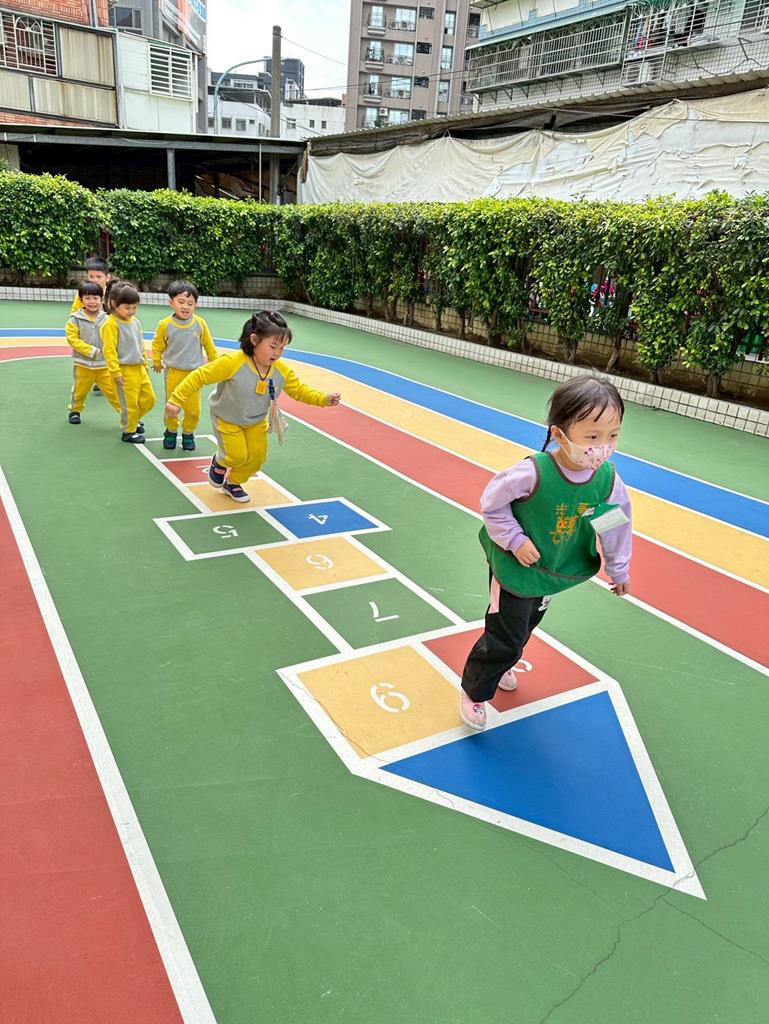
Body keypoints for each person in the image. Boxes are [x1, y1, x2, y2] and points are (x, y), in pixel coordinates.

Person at [459, 376, 632, 731]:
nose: (603, 447)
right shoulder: (532, 473)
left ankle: (502, 664)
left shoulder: (606, 481)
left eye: (612, 435)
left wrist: (619, 570)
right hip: (515, 568)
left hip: (552, 569)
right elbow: (492, 505)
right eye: (593, 436)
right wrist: (514, 539)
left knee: (526, 626)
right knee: (505, 635)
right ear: (560, 434)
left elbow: (613, 526)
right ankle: (474, 691)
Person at [164, 311, 341, 503]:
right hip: (227, 418)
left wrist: (324, 399)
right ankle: (220, 461)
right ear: (254, 340)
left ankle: (233, 482)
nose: (277, 353)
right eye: (273, 346)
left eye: (282, 348)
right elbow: (199, 376)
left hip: (256, 420)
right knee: (236, 456)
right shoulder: (233, 363)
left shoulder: (281, 371)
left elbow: (299, 391)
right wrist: (176, 399)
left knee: (257, 458)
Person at [151, 279, 218, 452]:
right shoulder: (165, 324)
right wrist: (156, 361)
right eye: (181, 302)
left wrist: (216, 365)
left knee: (193, 409)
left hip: (195, 374)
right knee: (172, 406)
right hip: (173, 373)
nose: (185, 306)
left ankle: (188, 432)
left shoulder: (200, 323)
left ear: (196, 305)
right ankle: (171, 430)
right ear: (171, 303)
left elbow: (209, 345)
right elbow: (157, 345)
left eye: (190, 303)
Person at [100, 281, 156, 444]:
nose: (131, 311)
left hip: (139, 368)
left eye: (134, 307)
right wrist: (115, 371)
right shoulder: (110, 325)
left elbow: (140, 343)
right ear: (114, 304)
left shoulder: (135, 322)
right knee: (129, 403)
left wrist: (144, 363)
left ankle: (134, 419)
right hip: (123, 371)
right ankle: (129, 430)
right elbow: (109, 350)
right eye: (127, 308)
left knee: (149, 399)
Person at [65, 282, 123, 424]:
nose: (92, 302)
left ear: (102, 299)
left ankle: (127, 416)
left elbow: (115, 338)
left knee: (115, 393)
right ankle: (75, 410)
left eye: (95, 298)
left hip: (104, 365)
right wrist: (90, 351)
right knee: (79, 391)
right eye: (87, 298)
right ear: (81, 300)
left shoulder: (108, 319)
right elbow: (72, 339)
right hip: (83, 365)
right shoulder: (75, 319)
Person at [71, 257, 112, 394]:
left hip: (108, 330)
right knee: (92, 355)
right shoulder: (83, 294)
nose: (94, 280)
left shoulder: (112, 292)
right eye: (91, 276)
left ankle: (107, 378)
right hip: (89, 330)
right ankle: (92, 379)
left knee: (110, 354)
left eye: (98, 277)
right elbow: (75, 312)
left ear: (107, 277)